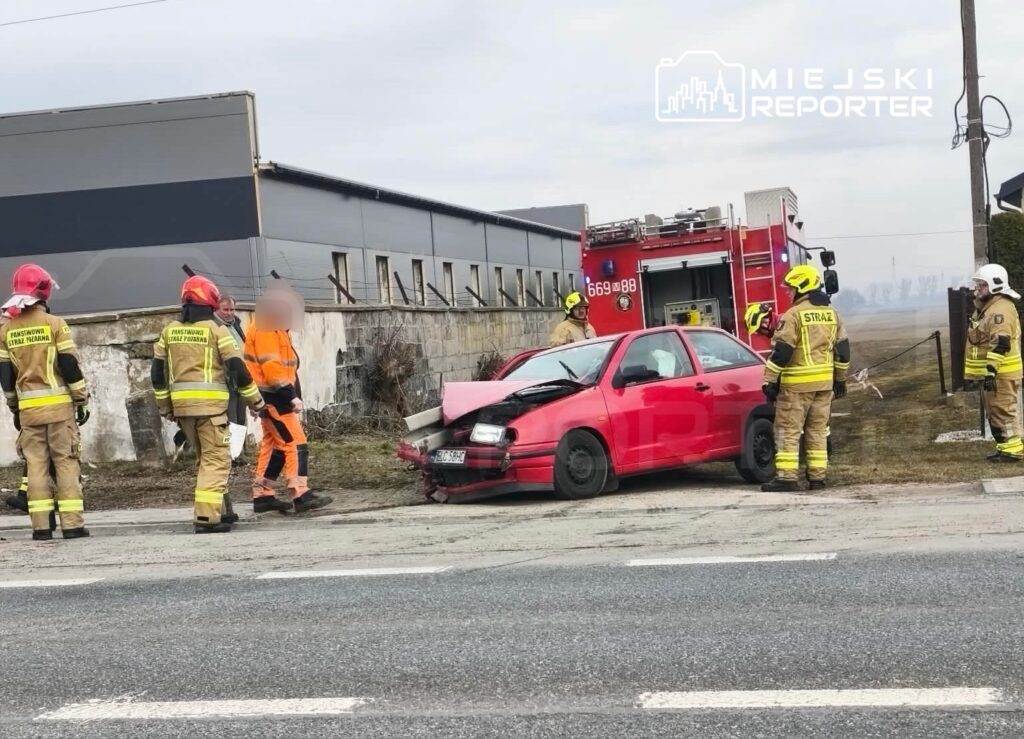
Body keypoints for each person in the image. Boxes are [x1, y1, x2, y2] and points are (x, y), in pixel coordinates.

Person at [152, 276, 266, 534]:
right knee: (217, 461)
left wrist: (164, 407)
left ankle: (224, 511)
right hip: (211, 410)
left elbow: (157, 374)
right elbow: (238, 369)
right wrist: (256, 401)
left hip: (182, 411)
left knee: (206, 460)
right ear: (211, 303)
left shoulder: (168, 332)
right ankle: (206, 518)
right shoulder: (217, 331)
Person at [0, 264, 90, 541]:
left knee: (36, 465)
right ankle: (72, 525)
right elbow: (69, 367)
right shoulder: (55, 325)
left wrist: (15, 405)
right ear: (44, 290)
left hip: (29, 412)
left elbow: (6, 376)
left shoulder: (6, 329)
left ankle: (41, 527)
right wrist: (82, 399)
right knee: (65, 463)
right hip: (60, 409)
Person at [759, 265, 850, 492]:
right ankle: (817, 478)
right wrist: (840, 380)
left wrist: (769, 380)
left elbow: (782, 352)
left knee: (788, 430)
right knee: (817, 432)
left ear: (802, 286)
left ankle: (787, 478)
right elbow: (844, 351)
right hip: (824, 386)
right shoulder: (832, 314)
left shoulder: (793, 315)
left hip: (796, 387)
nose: (788, 293)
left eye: (790, 289)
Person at [245, 288, 332, 514]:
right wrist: (290, 396)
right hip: (274, 398)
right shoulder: (267, 328)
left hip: (269, 398)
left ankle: (262, 494)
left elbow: (284, 367)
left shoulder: (275, 328)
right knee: (295, 442)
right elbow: (272, 368)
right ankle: (299, 492)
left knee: (273, 445)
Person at [964, 264, 1023, 462]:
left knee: (1003, 411)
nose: (976, 289)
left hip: (1001, 373)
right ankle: (1005, 449)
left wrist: (991, 371)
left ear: (995, 285)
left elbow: (1000, 344)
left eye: (981, 285)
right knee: (996, 412)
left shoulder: (1000, 311)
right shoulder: (988, 308)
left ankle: (1013, 451)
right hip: (996, 373)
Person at [214, 294, 249, 462]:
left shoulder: (235, 324)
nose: (229, 313)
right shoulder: (215, 326)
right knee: (231, 417)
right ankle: (233, 455)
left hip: (241, 375)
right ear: (217, 309)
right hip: (225, 377)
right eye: (225, 309)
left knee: (241, 416)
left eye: (232, 309)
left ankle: (241, 451)